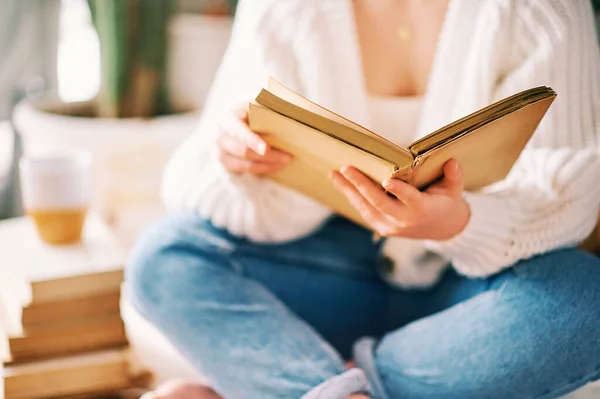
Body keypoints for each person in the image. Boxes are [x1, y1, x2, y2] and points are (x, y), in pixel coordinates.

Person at [127, 0, 600, 398]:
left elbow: (569, 189)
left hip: (470, 286)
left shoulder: (539, 8)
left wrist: (459, 223)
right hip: (326, 270)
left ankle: (311, 387)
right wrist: (237, 162)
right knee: (165, 255)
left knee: (588, 300)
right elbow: (199, 187)